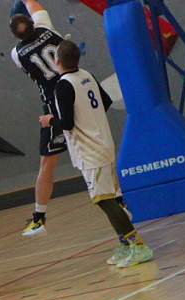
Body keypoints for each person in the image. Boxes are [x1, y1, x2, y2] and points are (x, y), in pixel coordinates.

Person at [39, 40, 153, 268]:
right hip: (103, 142)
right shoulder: (86, 75)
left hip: (90, 151)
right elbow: (106, 101)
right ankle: (125, 244)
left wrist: (50, 120)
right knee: (110, 198)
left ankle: (138, 245)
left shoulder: (63, 85)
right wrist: (91, 118)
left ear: (56, 61)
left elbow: (67, 123)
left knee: (105, 201)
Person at [0, 0, 67, 237]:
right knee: (95, 154)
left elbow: (25, 9)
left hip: (54, 107)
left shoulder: (17, 54)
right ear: (34, 22)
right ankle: (119, 201)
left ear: (15, 37)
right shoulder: (46, 26)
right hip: (77, 93)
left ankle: (39, 217)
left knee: (47, 164)